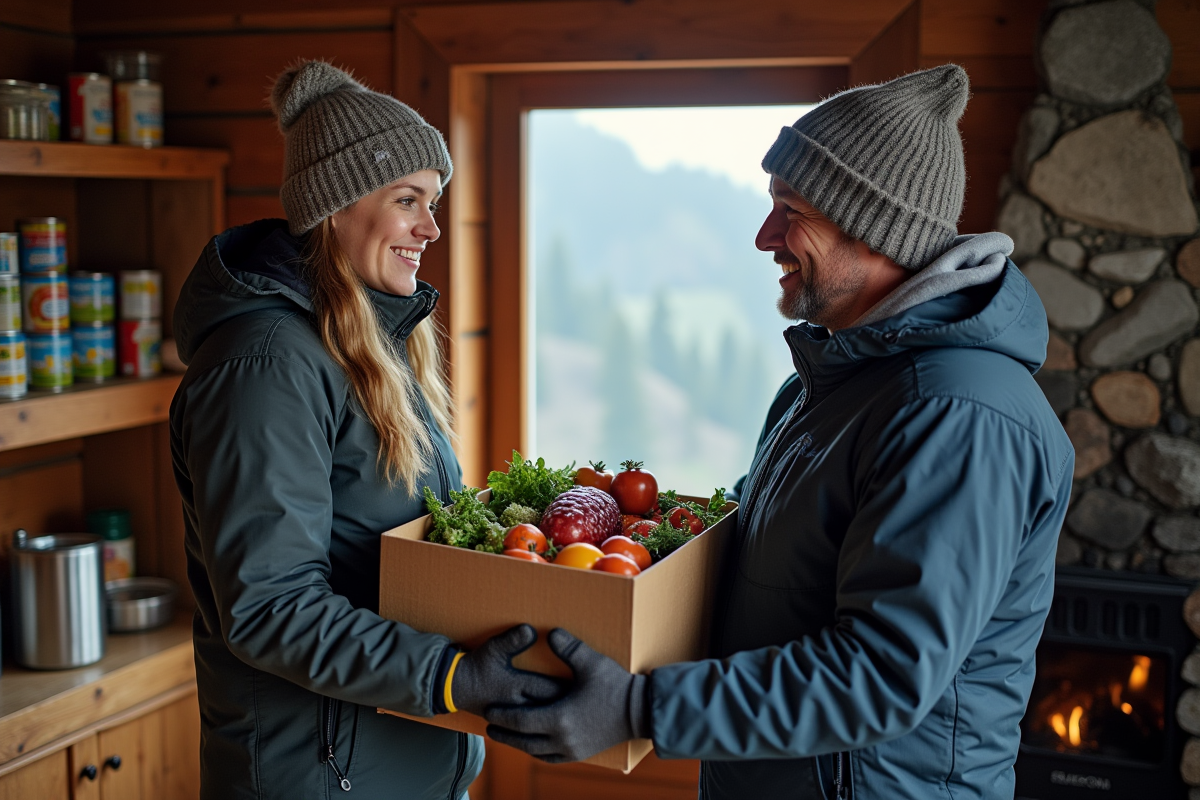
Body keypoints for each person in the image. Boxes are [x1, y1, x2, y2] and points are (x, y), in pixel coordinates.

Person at [484, 65, 1075, 800]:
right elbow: (756, 559)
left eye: (790, 209)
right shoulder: (822, 386)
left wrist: (639, 706)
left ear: (872, 223)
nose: (765, 236)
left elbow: (881, 675)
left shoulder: (955, 413)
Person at [170, 60, 557, 799]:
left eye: (433, 200)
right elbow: (271, 607)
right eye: (407, 199)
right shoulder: (265, 367)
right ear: (334, 207)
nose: (431, 227)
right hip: (318, 772)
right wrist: (447, 675)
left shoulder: (364, 345)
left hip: (391, 759)